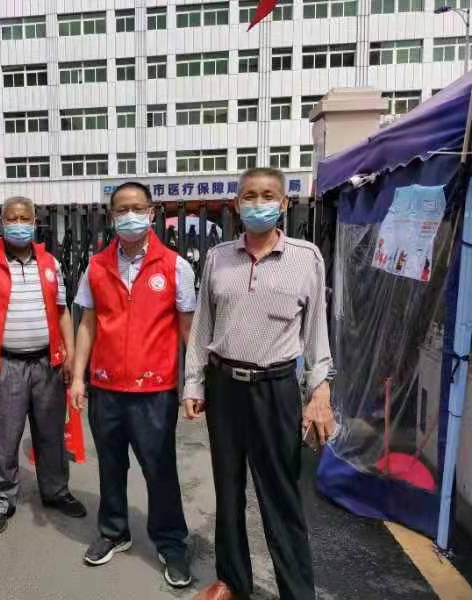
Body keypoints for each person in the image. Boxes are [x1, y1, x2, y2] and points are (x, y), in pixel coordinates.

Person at [183, 168, 335, 600]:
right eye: (249, 196)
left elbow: (316, 333)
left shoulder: (306, 258)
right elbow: (202, 326)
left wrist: (320, 390)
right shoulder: (218, 258)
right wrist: (193, 383)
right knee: (228, 489)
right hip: (225, 387)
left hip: (276, 389)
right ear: (236, 205)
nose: (258, 203)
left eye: (268, 195)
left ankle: (297, 591)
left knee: (280, 497)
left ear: (284, 204)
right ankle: (232, 581)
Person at [70, 182, 196, 588]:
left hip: (154, 391)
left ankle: (171, 543)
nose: (130, 216)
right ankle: (113, 531)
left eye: (137, 208)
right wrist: (78, 377)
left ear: (152, 212)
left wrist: (194, 383)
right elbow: (87, 325)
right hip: (105, 389)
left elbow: (188, 331)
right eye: (122, 209)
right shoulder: (96, 266)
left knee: (160, 470)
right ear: (111, 216)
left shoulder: (175, 266)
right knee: (110, 465)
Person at [0, 196, 86, 535]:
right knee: (2, 437)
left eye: (25, 218)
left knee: (51, 434)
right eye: (12, 218)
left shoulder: (49, 263)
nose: (19, 224)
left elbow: (62, 312)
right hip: (5, 366)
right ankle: (1, 502)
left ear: (35, 222)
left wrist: (69, 355)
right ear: (2, 223)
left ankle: (56, 491)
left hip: (47, 365)